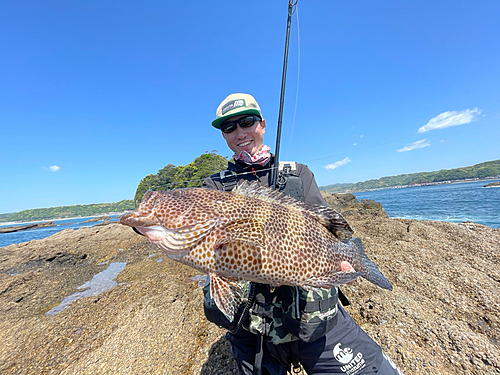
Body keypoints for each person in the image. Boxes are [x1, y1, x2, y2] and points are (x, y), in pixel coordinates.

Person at [203, 93, 403, 375]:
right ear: (224, 135)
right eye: (229, 127)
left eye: (246, 122)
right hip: (251, 325)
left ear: (261, 124)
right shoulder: (214, 187)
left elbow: (327, 228)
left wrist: (339, 260)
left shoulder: (298, 173)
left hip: (311, 315)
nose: (239, 132)